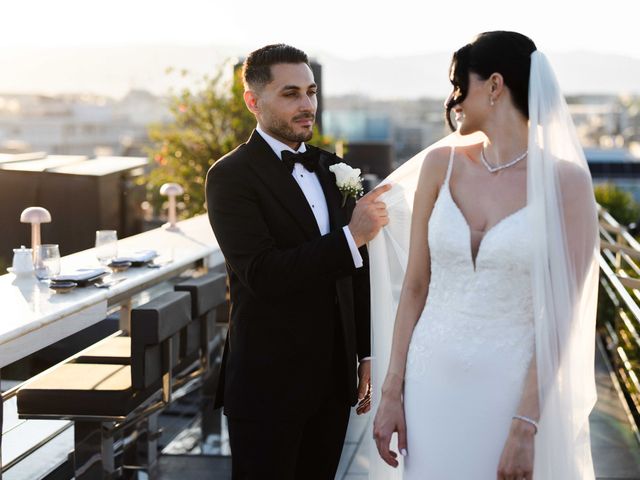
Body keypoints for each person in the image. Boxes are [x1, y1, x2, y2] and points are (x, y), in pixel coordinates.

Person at [370, 31, 599, 480]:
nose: (454, 100)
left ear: (495, 86)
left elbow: (562, 314)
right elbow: (416, 286)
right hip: (428, 384)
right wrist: (391, 391)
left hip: (511, 392)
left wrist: (526, 423)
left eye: (461, 85)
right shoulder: (441, 165)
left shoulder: (566, 184)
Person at [205, 44, 390, 480]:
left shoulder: (334, 168)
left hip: (332, 381)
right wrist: (351, 236)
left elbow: (356, 271)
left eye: (311, 92)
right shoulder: (229, 177)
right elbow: (263, 274)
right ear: (254, 100)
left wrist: (366, 352)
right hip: (268, 384)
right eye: (291, 94)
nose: (307, 105)